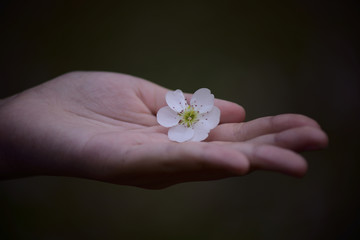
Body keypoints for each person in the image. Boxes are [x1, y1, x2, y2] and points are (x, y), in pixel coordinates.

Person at [0, 71, 328, 189]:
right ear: (181, 110)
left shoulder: (201, 117)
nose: (186, 114)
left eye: (188, 114)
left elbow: (200, 117)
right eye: (185, 113)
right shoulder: (175, 114)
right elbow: (170, 118)